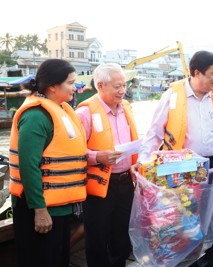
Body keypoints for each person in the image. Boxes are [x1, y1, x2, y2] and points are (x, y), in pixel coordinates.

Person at [138, 50, 213, 267]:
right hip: (180, 167)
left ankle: (209, 260)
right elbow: (154, 132)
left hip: (212, 165)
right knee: (183, 217)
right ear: (196, 73)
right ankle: (185, 261)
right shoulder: (173, 96)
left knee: (211, 215)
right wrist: (143, 163)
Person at [9, 59, 88, 267]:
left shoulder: (60, 110)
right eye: (70, 83)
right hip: (38, 207)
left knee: (58, 260)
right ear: (53, 86)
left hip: (60, 206)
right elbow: (28, 166)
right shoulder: (36, 116)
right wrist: (40, 210)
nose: (75, 87)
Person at [75, 63, 139, 267]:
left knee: (122, 233)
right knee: (97, 235)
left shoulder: (126, 108)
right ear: (100, 85)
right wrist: (97, 156)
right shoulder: (84, 113)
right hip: (99, 184)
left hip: (125, 181)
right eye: (117, 86)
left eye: (124, 85)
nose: (123, 91)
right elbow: (72, 152)